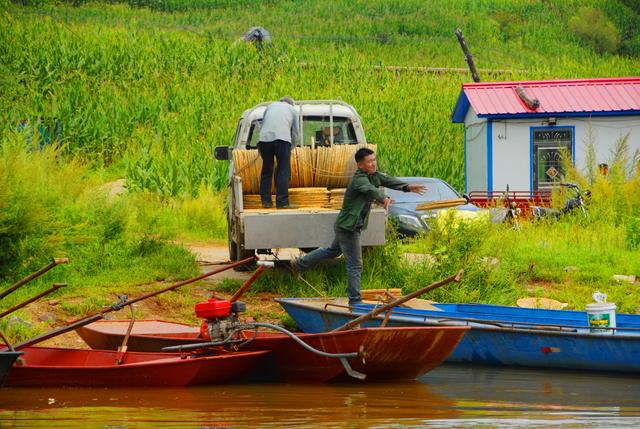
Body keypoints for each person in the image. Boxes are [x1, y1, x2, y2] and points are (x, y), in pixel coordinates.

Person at [292, 147, 426, 305]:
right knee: (355, 264)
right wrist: (383, 198)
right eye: (369, 161)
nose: (373, 164)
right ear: (360, 165)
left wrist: (407, 188)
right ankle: (355, 301)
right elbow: (370, 191)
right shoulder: (359, 180)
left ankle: (299, 264)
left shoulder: (373, 176)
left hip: (346, 225)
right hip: (348, 228)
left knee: (332, 251)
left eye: (374, 160)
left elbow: (388, 180)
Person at [258, 96, 300, 209]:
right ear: (291, 104)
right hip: (282, 140)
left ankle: (266, 202)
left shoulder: (270, 106)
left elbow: (264, 124)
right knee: (283, 169)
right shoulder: (293, 110)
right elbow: (296, 133)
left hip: (264, 140)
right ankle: (282, 202)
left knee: (267, 169)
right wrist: (291, 147)